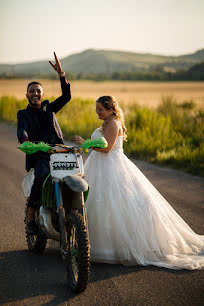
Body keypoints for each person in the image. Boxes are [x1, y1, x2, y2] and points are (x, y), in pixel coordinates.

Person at [73, 95, 204, 270]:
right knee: (101, 204)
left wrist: (85, 143)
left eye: (100, 109)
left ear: (111, 109)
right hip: (100, 167)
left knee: (115, 204)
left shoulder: (113, 123)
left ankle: (113, 248)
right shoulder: (108, 122)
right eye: (96, 109)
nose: (97, 112)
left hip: (111, 167)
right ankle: (95, 243)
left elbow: (107, 148)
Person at [17, 52, 71, 235]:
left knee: (75, 173)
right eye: (32, 91)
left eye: (38, 91)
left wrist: (61, 74)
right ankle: (31, 218)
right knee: (42, 174)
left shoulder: (50, 107)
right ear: (27, 95)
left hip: (58, 151)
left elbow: (67, 96)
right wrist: (26, 142)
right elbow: (22, 131)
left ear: (42, 94)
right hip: (39, 155)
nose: (35, 93)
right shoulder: (23, 114)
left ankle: (73, 210)